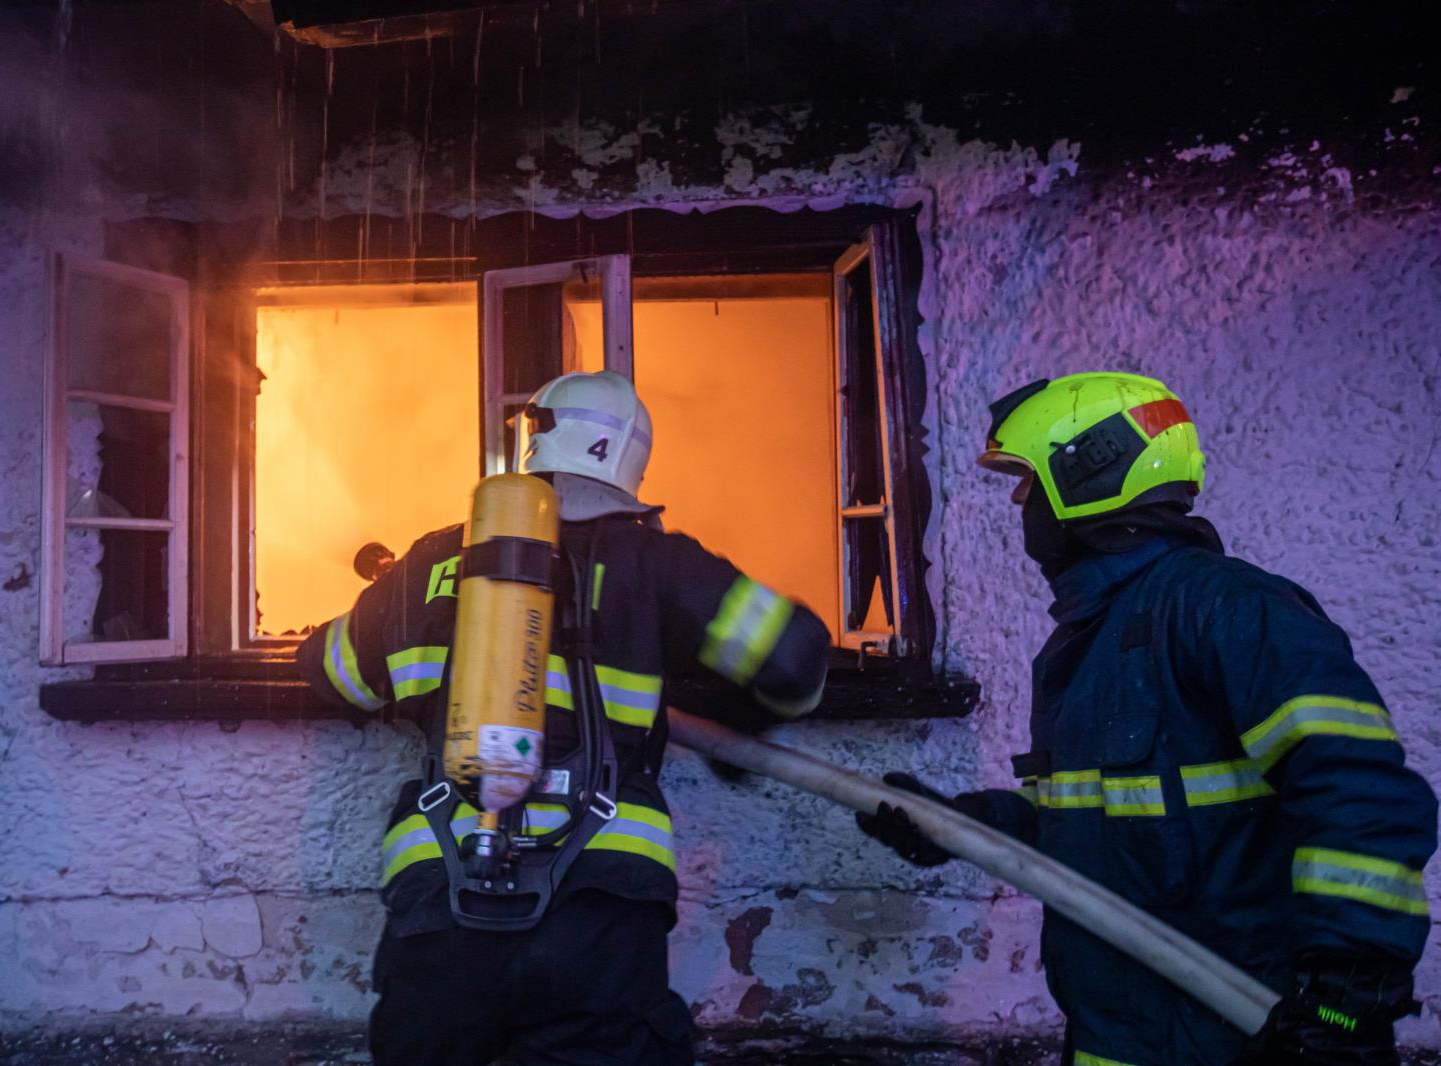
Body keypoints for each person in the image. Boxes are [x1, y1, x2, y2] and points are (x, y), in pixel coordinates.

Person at [857, 372, 1437, 1066]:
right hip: (1121, 1031)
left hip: (1247, 1039)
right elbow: (1087, 824)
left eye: (1028, 479)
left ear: (1087, 477)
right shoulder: (1088, 641)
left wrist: (1347, 994)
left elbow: (1362, 798)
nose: (1018, 500)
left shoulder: (1229, 612)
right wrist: (960, 825)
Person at [297, 370, 831, 1066]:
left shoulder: (431, 559)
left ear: (532, 447)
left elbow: (328, 672)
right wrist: (731, 723)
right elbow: (795, 661)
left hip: (442, 904)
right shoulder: (656, 563)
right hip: (601, 911)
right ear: (627, 462)